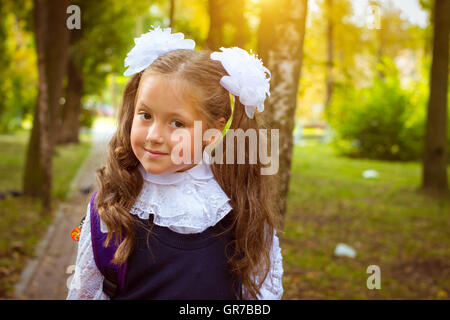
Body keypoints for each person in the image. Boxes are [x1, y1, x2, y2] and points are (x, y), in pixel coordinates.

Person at [66, 26, 283, 300]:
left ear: (213, 132)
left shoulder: (242, 210)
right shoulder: (109, 209)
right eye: (145, 115)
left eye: (177, 123)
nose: (154, 136)